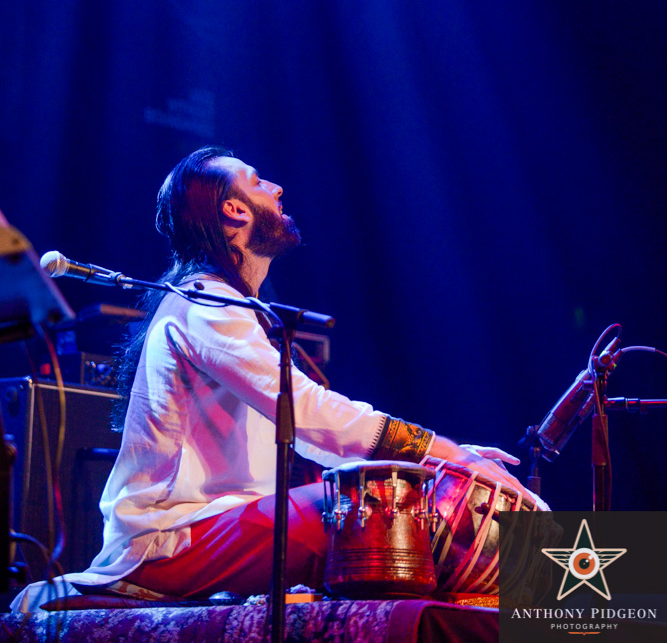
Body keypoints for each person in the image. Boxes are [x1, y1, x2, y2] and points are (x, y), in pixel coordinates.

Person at [18, 145, 545, 609]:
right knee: (368, 507)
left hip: (217, 532)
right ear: (234, 210)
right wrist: (447, 456)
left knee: (395, 500)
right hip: (170, 542)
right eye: (256, 181)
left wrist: (438, 461)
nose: (276, 188)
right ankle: (586, 601)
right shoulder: (203, 303)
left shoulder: (228, 306)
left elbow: (313, 431)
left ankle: (585, 606)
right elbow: (309, 411)